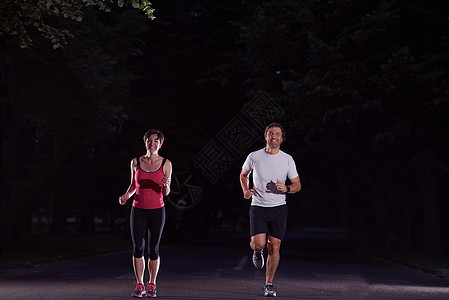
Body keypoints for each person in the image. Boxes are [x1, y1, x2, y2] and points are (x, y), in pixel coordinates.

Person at [239, 122, 301, 297]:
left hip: (279, 208)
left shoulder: (287, 159)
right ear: (266, 136)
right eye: (271, 133)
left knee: (274, 246)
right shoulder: (254, 156)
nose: (274, 137)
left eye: (277, 134)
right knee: (258, 243)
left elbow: (297, 185)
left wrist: (287, 188)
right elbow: (243, 174)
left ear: (282, 138)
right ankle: (257, 252)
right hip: (258, 206)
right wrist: (246, 189)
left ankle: (268, 284)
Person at [119, 129, 172, 298]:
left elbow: (166, 192)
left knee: (153, 250)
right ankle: (139, 284)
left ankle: (152, 284)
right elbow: (133, 185)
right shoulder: (135, 162)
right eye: (150, 141)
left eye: (156, 141)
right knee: (138, 248)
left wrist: (165, 184)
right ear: (145, 142)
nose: (153, 144)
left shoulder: (166, 164)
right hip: (138, 210)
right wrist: (126, 195)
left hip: (157, 210)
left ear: (160, 144)